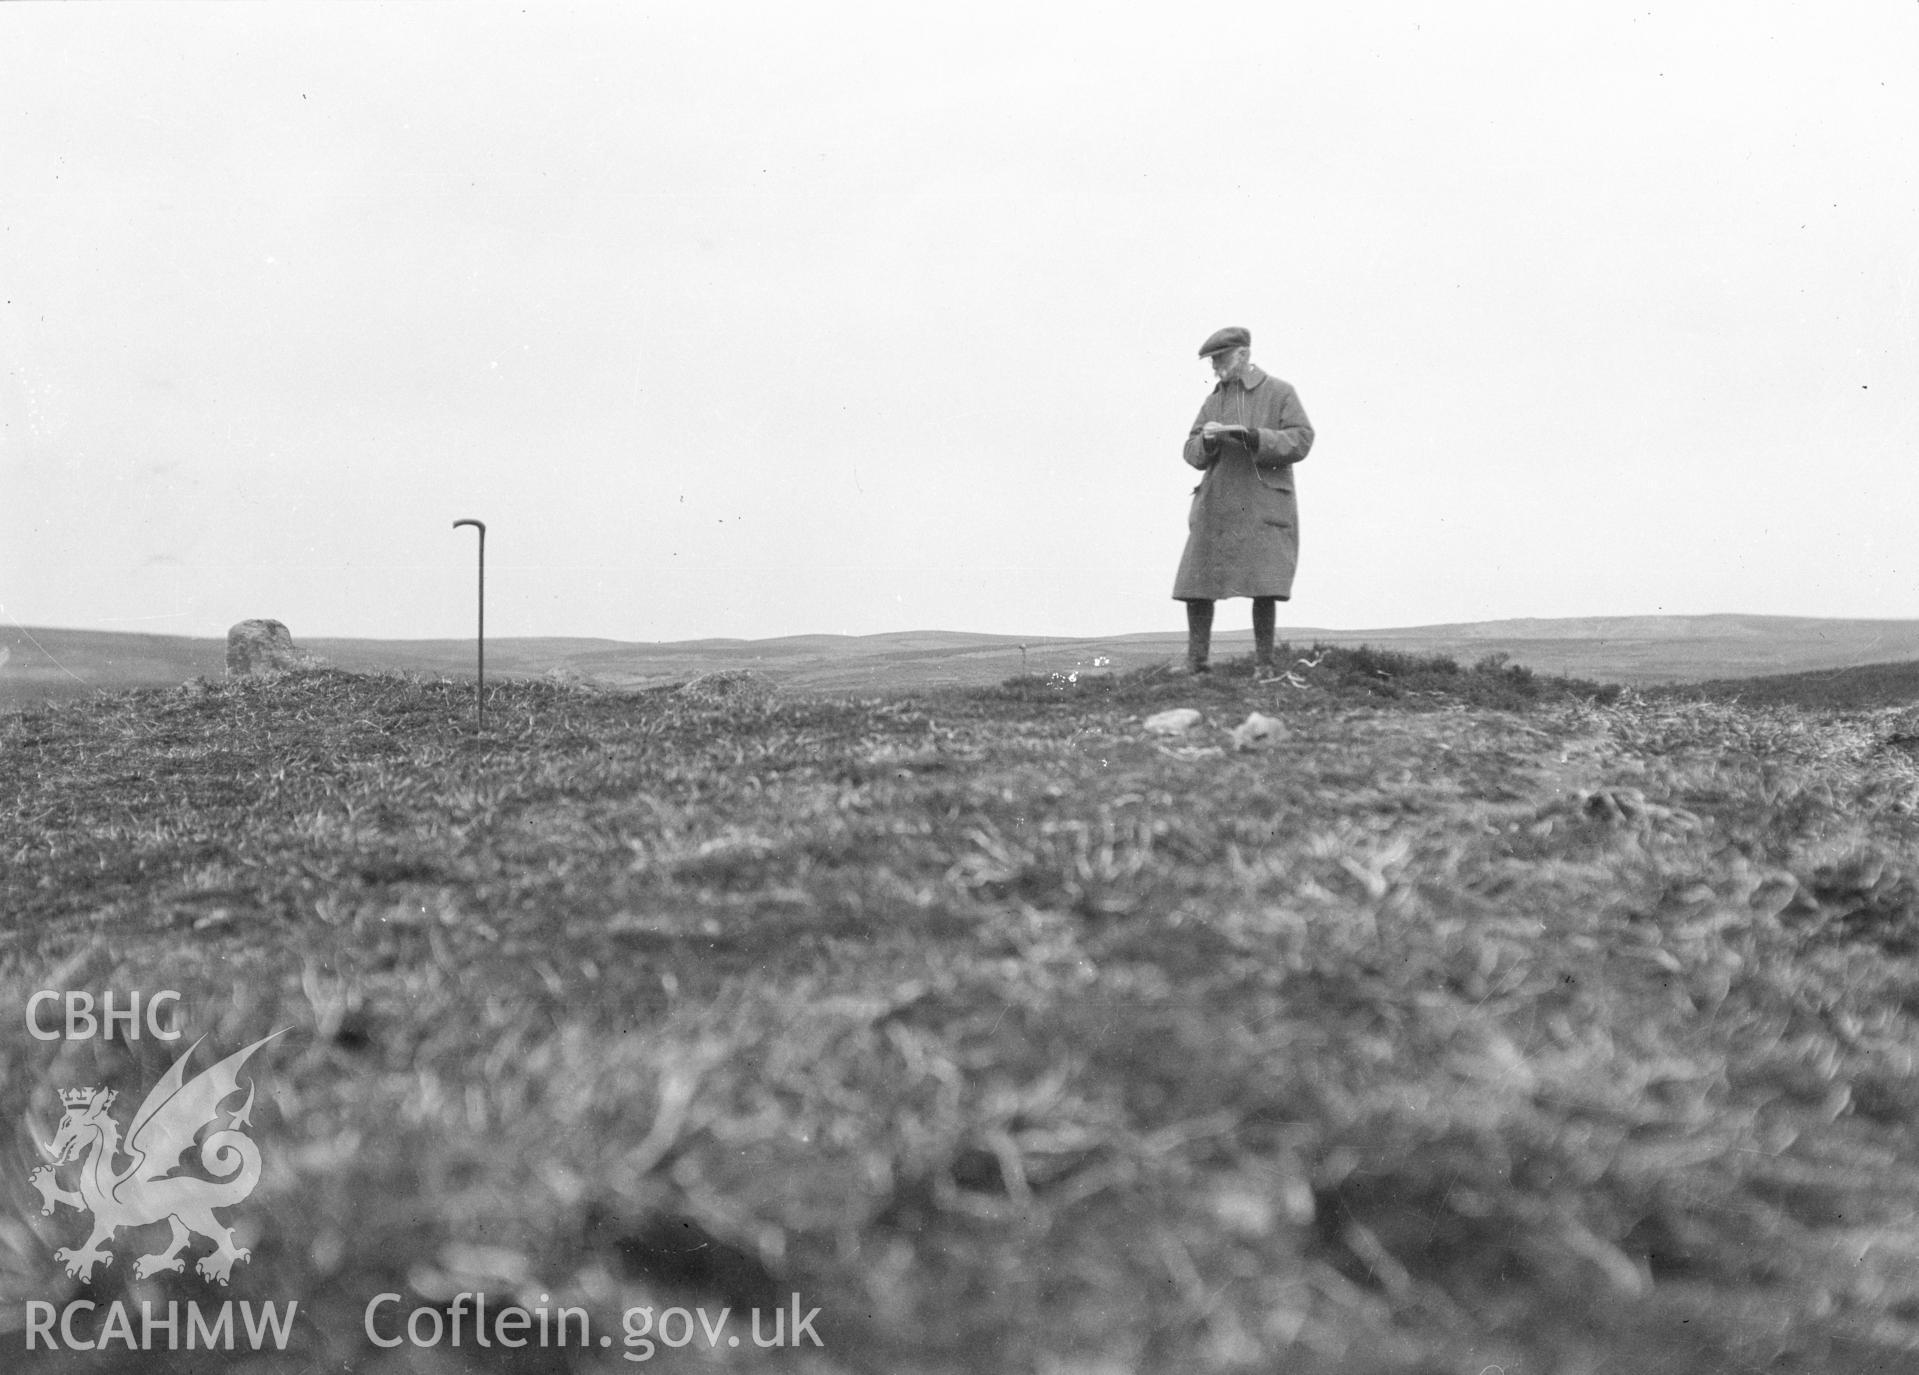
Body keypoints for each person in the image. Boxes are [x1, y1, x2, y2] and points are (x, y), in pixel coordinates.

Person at [1171, 326, 1315, 676]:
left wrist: (1254, 437)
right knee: (1197, 582)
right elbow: (1190, 452)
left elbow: (1301, 440)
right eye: (1212, 361)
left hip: (1261, 504)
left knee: (1264, 584)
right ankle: (1196, 662)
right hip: (1216, 507)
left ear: (1243, 355)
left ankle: (1264, 665)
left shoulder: (1280, 392)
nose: (1214, 367)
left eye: (1219, 359)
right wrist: (1206, 441)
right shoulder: (1214, 400)